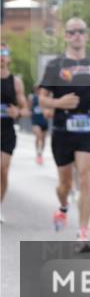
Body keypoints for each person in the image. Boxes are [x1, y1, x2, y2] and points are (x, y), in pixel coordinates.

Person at [37, 18, 90, 253]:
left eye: (81, 31)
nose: (77, 35)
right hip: (62, 129)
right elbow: (41, 98)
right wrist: (59, 102)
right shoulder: (55, 65)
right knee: (65, 184)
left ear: (87, 36)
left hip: (87, 127)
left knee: (85, 177)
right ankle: (63, 205)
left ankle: (83, 233)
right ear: (66, 36)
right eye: (72, 32)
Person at [1, 44, 30, 210]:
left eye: (4, 52)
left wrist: (17, 112)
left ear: (8, 58)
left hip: (6, 131)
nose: (1, 56)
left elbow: (26, 110)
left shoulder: (16, 82)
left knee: (2, 170)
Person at [30, 86, 51, 165]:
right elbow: (29, 109)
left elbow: (50, 109)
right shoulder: (32, 98)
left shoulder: (46, 99)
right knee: (38, 136)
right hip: (35, 121)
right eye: (38, 89)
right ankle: (38, 152)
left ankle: (41, 153)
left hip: (44, 121)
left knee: (43, 139)